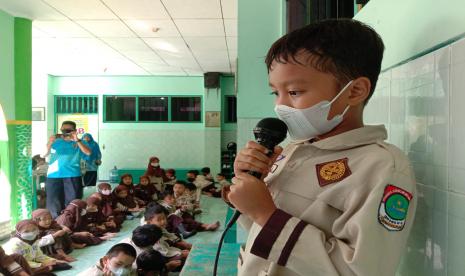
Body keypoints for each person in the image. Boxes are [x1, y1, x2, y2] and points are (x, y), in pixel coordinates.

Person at [226, 19, 417, 276]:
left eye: (294, 92)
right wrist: (248, 185)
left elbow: (361, 271)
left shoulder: (382, 167)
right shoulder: (294, 151)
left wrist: (265, 214)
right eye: (275, 93)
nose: (280, 106)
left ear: (355, 91)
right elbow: (260, 232)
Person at [44, 121, 91, 218]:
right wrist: (50, 142)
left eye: (68, 130)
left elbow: (88, 153)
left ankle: (71, 222)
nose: (65, 132)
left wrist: (77, 140)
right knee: (54, 203)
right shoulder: (55, 141)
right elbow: (44, 154)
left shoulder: (80, 142)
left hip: (72, 175)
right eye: (63, 130)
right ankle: (56, 224)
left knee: (72, 202)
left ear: (74, 130)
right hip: (53, 176)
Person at [3, 220, 70, 274]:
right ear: (18, 233)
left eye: (34, 230)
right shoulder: (15, 244)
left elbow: (39, 256)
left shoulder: (35, 240)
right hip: (13, 266)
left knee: (60, 261)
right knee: (47, 269)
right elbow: (21, 262)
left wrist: (55, 261)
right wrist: (41, 265)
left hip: (32, 262)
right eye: (26, 231)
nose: (31, 233)